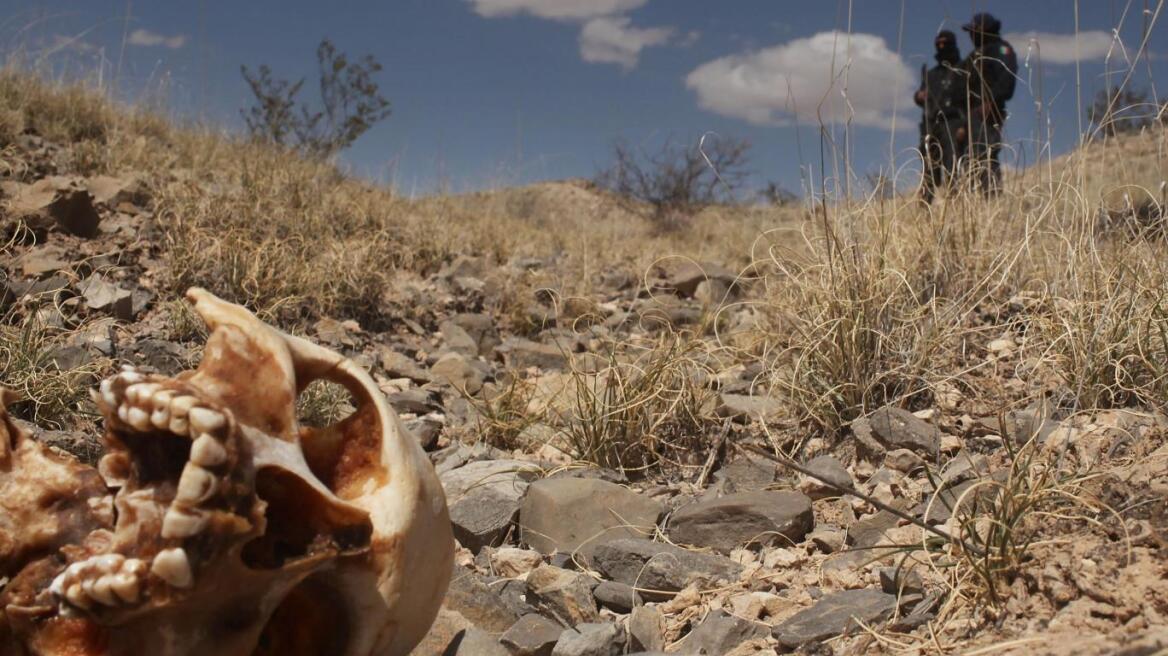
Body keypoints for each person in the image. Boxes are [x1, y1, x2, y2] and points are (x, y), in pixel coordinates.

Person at [960, 13, 1018, 195]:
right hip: (967, 117)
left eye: (974, 31)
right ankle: (972, 206)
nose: (970, 35)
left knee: (985, 155)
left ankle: (991, 202)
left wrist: (991, 102)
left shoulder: (1001, 49)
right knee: (968, 160)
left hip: (987, 114)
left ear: (985, 30)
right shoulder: (972, 57)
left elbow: (1007, 81)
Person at [914, 30, 967, 204]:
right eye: (938, 44)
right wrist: (919, 96)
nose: (941, 47)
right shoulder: (931, 74)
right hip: (931, 125)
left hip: (953, 122)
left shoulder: (963, 70)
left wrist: (964, 127)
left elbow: (971, 101)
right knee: (929, 168)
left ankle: (956, 206)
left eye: (945, 43)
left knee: (953, 166)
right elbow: (921, 96)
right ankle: (925, 209)